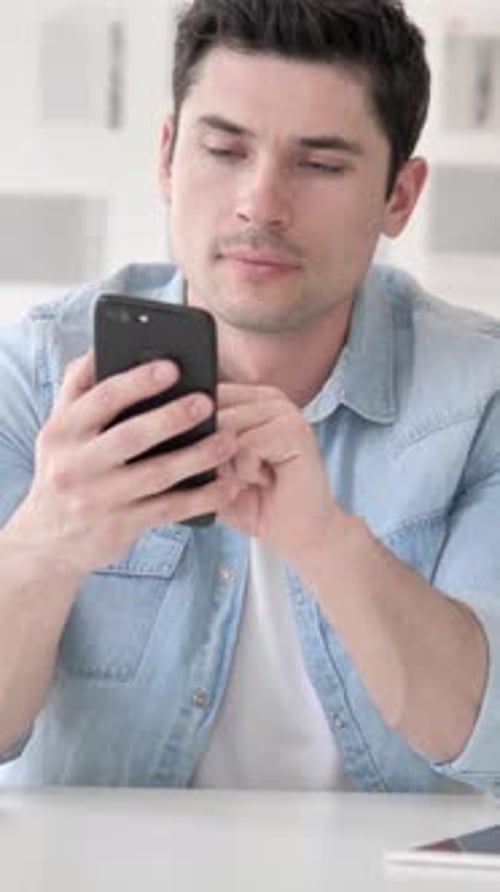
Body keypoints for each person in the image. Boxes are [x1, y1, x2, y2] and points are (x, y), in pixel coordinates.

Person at [0, 0, 499, 794]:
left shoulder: (481, 399)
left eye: (322, 165)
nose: (261, 204)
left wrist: (323, 540)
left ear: (399, 197)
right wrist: (45, 545)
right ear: (167, 157)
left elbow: (490, 735)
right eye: (225, 149)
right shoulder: (33, 373)